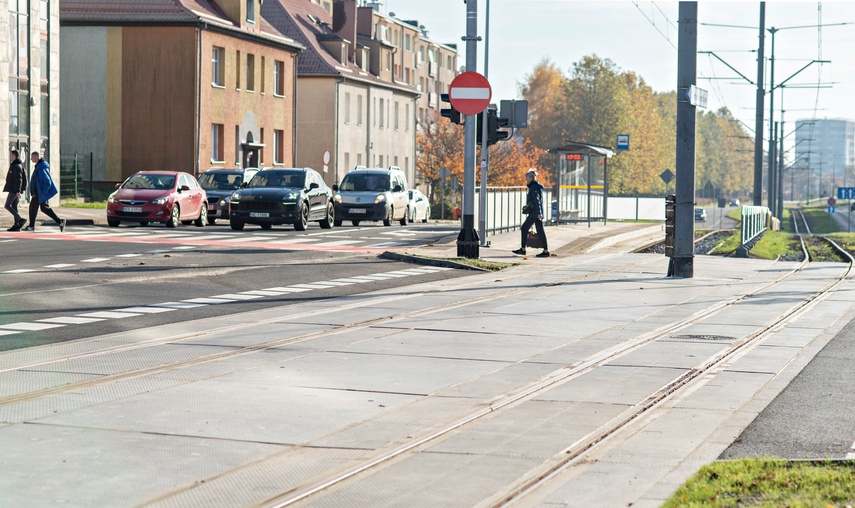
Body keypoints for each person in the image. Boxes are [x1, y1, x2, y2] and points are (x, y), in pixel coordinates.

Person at [22, 151, 65, 232]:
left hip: (39, 193)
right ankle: (60, 221)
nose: (31, 159)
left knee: (33, 208)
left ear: (36, 157)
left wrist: (43, 193)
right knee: (44, 208)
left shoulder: (41, 168)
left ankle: (31, 226)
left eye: (32, 157)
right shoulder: (39, 167)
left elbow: (47, 181)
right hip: (39, 193)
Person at [513, 168, 549, 258]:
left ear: (531, 178)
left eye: (527, 178)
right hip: (536, 212)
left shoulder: (534, 188)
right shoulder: (537, 187)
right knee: (540, 231)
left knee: (524, 228)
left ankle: (523, 249)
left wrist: (539, 213)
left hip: (534, 213)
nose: (526, 180)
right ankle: (545, 250)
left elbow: (537, 201)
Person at [4, 150, 27, 231]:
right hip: (14, 189)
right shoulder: (15, 165)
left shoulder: (16, 166)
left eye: (11, 155)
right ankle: (16, 224)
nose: (10, 156)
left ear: (14, 155)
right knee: (14, 206)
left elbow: (18, 180)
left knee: (7, 205)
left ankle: (20, 219)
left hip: (14, 190)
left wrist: (17, 191)